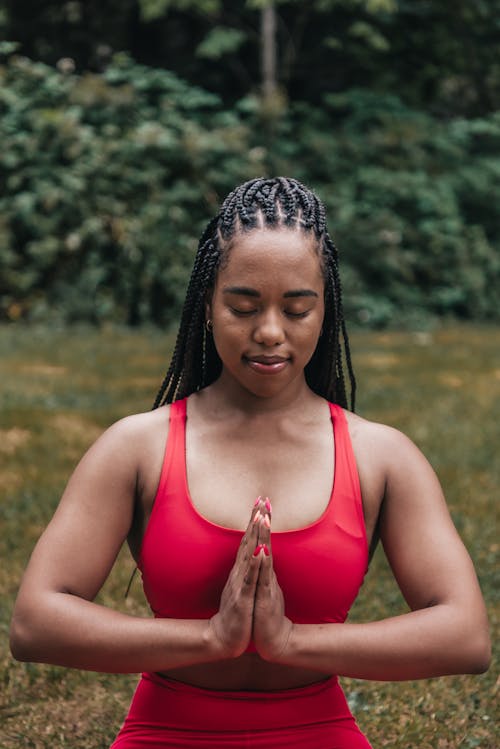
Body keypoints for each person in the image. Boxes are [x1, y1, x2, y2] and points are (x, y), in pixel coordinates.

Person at [10, 177, 490, 748]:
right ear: (207, 305)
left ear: (325, 311)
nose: (269, 332)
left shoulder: (379, 456)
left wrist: (289, 642)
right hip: (165, 731)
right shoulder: (137, 447)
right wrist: (212, 638)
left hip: (319, 731)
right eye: (243, 306)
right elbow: (35, 622)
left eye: (296, 309)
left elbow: (465, 636)